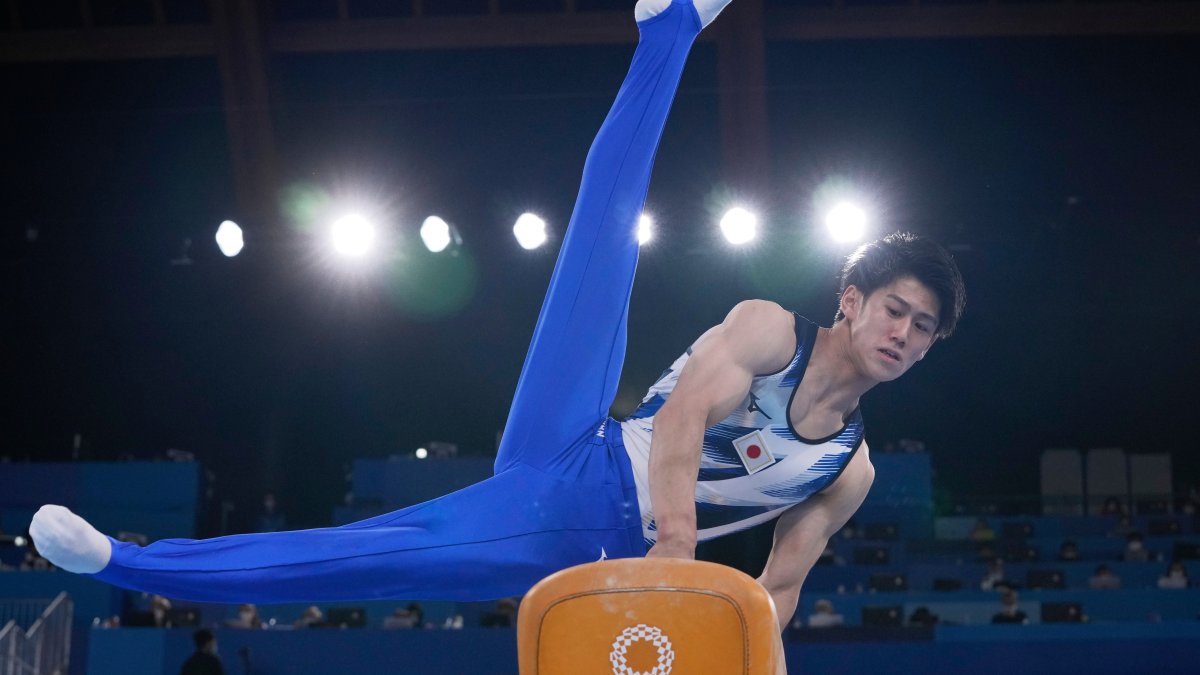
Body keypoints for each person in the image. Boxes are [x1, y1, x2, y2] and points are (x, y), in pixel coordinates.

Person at [26, 0, 965, 634]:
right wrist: (676, 553)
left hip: (571, 528)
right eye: (895, 309)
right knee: (603, 242)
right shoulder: (772, 331)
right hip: (592, 439)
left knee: (357, 561)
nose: (904, 335)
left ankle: (123, 562)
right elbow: (680, 420)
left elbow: (777, 591)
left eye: (924, 331)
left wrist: (732, 646)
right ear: (850, 299)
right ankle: (670, 23)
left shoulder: (850, 470)